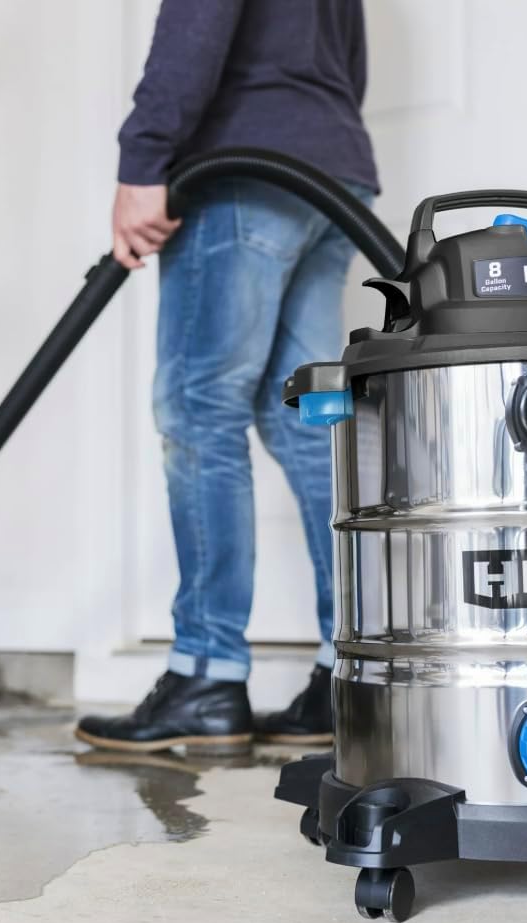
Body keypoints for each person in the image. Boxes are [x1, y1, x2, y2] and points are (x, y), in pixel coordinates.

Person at [75, 0, 378, 754]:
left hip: (246, 169)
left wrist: (144, 161)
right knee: (306, 421)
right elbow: (350, 62)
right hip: (332, 175)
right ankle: (353, 673)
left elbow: (196, 23)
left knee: (198, 410)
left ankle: (206, 673)